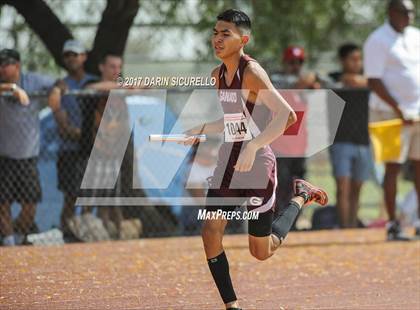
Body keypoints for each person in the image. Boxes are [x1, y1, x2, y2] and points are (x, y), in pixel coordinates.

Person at [184, 9, 328, 310]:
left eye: (226, 34)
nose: (218, 39)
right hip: (228, 163)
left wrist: (253, 147)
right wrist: (202, 128)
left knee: (260, 252)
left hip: (257, 166)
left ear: (243, 39)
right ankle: (231, 306)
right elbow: (234, 122)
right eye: (215, 32)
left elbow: (286, 116)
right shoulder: (217, 76)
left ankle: (301, 196)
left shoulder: (252, 72)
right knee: (210, 233)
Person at [363, 0, 420, 240]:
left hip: (417, 112)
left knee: (419, 167)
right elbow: (373, 80)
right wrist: (398, 109)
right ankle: (393, 225)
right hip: (389, 114)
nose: (410, 15)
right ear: (391, 13)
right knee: (393, 168)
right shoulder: (377, 40)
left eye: (412, 11)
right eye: (404, 11)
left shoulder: (416, 35)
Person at [0, 48, 55, 245]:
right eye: (0, 65)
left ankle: (20, 236)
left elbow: (58, 83)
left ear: (17, 65)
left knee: (30, 203)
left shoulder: (33, 81)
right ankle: (8, 241)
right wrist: (13, 89)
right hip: (4, 156)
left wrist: (56, 92)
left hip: (27, 156)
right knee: (3, 203)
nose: (2, 69)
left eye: (7, 64)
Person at [48, 40, 97, 237]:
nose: (71, 58)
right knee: (70, 197)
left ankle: (84, 234)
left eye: (75, 54)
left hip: (91, 149)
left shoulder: (94, 82)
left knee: (88, 197)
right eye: (67, 55)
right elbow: (61, 122)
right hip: (69, 150)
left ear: (84, 56)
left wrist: (89, 135)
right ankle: (66, 236)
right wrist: (84, 134)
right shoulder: (59, 86)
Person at [328, 43, 371, 228]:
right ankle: (344, 228)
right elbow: (318, 80)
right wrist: (344, 80)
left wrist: (363, 81)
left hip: (363, 140)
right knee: (343, 187)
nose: (357, 63)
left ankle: (353, 226)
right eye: (353, 59)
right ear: (342, 61)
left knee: (357, 188)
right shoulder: (333, 79)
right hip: (340, 140)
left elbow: (372, 82)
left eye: (359, 59)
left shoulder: (369, 80)